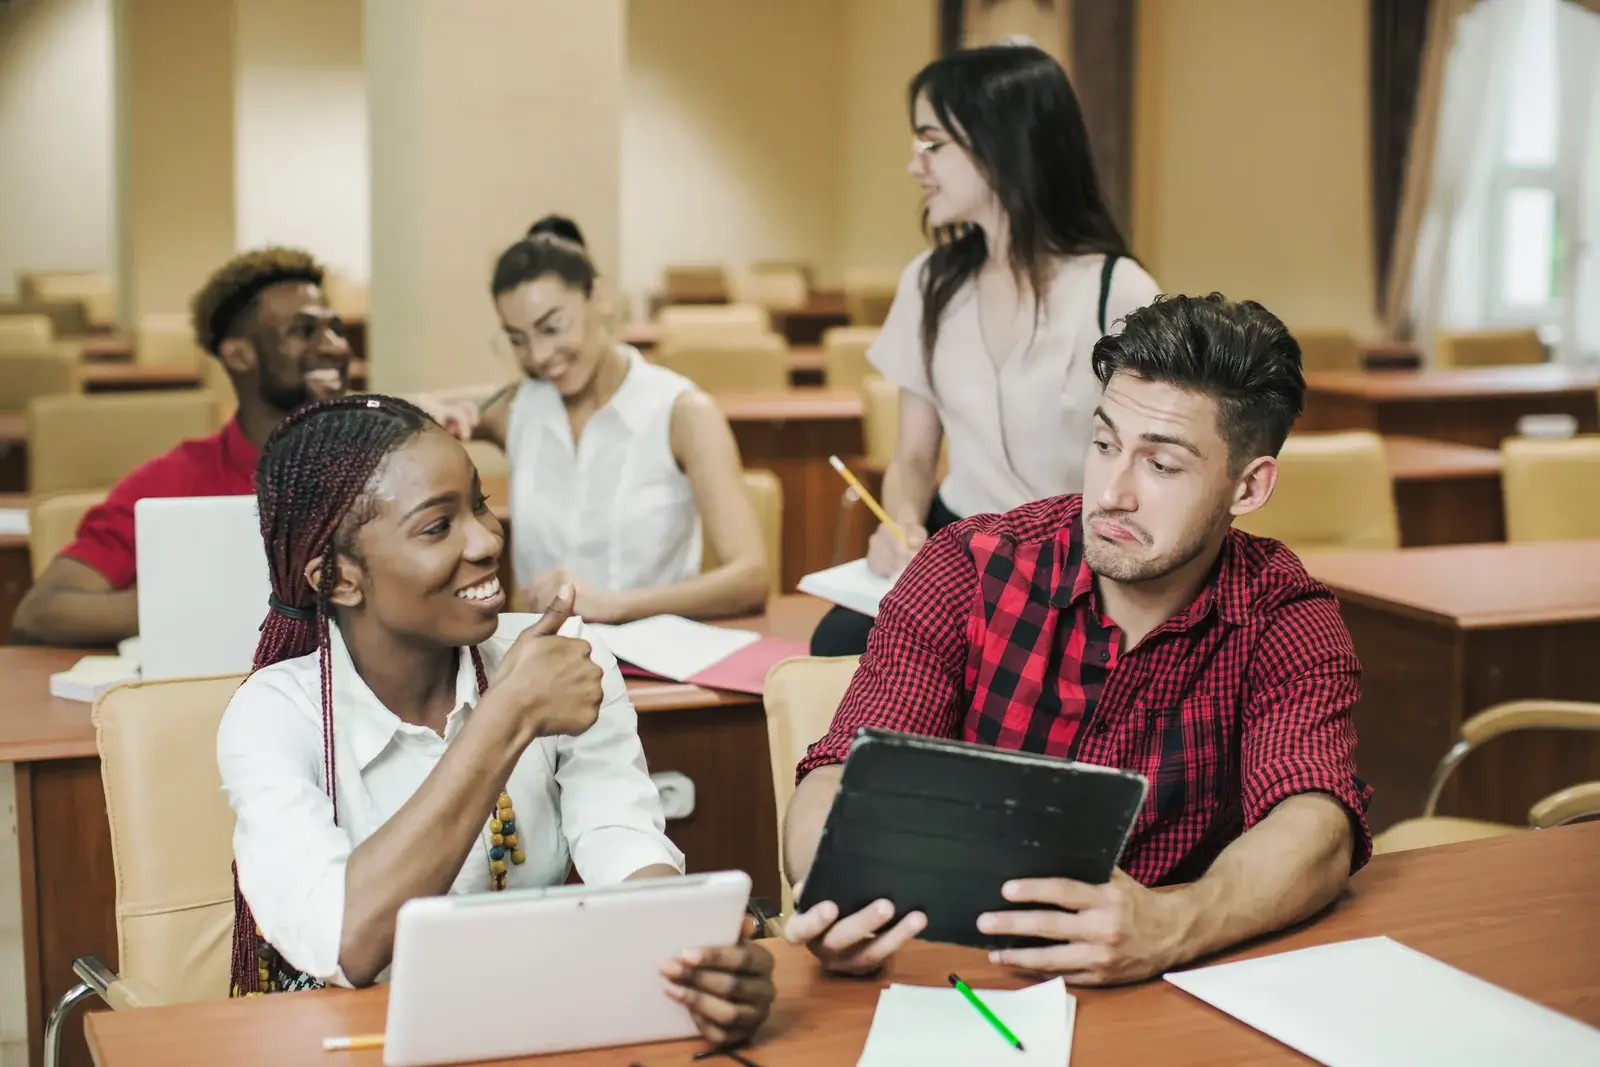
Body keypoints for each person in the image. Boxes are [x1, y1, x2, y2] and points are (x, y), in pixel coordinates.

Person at [784, 294, 1372, 986]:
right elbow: (841, 773)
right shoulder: (968, 568)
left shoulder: (1283, 615)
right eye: (1104, 444)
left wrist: (1175, 924)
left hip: (1165, 991)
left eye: (1162, 465)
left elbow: (1314, 819)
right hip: (963, 981)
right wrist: (835, 889)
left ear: (1248, 487)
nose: (1113, 491)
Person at [218, 395, 772, 1047]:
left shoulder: (561, 656)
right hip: (349, 1043)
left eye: (478, 504)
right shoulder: (274, 714)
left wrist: (687, 949)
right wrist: (506, 716)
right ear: (338, 578)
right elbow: (348, 943)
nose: (487, 540)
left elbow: (623, 841)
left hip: (525, 1025)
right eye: (437, 526)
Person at [810, 43, 1161, 657]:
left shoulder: (1118, 291)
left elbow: (1153, 467)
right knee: (839, 642)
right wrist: (902, 525)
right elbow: (914, 457)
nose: (914, 166)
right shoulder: (931, 282)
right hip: (961, 542)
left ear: (1003, 144)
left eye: (931, 143)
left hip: (1077, 561)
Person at [10, 247, 475, 647]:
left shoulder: (387, 466)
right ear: (239, 354)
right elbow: (42, 611)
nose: (335, 347)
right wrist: (206, 606)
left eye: (334, 328)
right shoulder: (173, 481)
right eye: (304, 331)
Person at [462, 222, 769, 624]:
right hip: (539, 652)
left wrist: (613, 606)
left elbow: (750, 578)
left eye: (552, 327)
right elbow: (409, 410)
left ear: (599, 297)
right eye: (518, 339)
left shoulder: (682, 412)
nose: (538, 355)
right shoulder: (518, 408)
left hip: (648, 651)